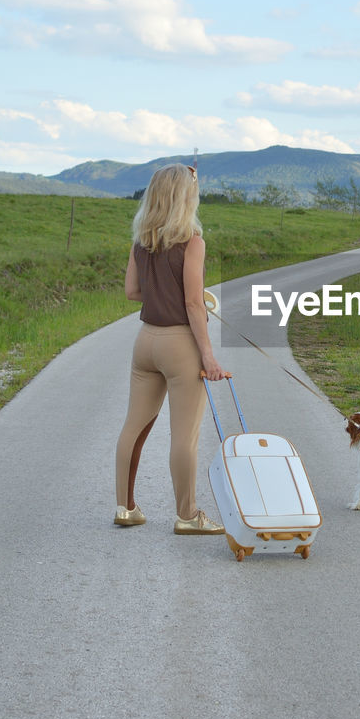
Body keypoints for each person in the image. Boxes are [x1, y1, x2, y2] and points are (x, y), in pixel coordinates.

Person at [113, 163, 226, 535]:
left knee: (134, 425)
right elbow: (194, 303)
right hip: (180, 345)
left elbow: (132, 292)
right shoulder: (192, 241)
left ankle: (126, 508)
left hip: (145, 341)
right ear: (185, 196)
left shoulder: (141, 240)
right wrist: (208, 355)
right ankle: (187, 514)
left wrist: (161, 293)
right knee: (185, 436)